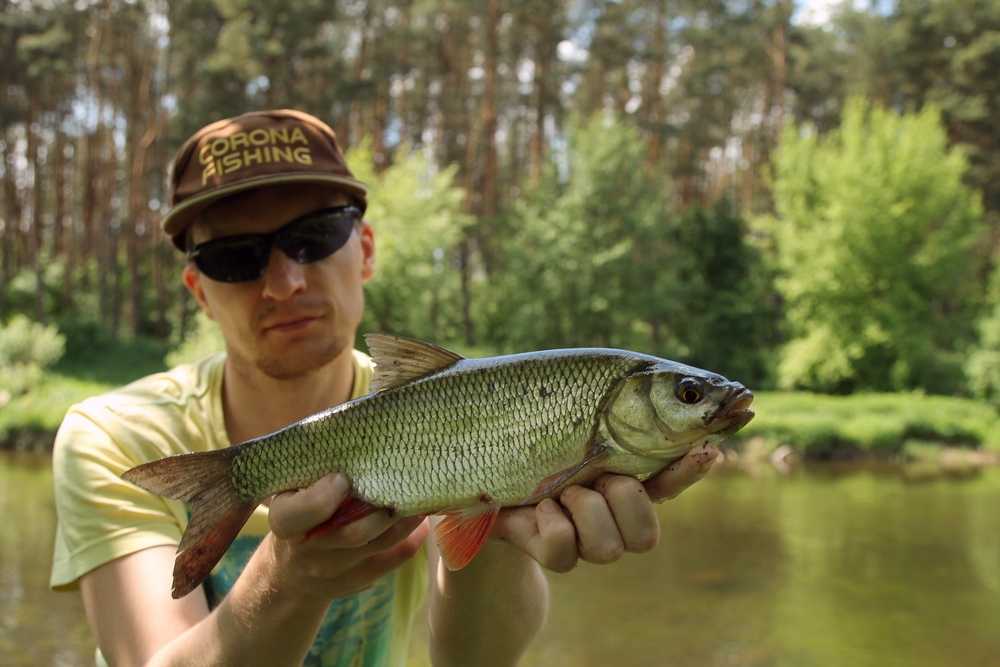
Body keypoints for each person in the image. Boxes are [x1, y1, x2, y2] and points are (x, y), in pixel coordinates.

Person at [50, 109, 721, 667]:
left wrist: (495, 524)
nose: (284, 282)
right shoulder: (114, 435)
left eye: (313, 237)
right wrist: (287, 583)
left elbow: (475, 660)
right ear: (199, 291)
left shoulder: (457, 403)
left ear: (364, 249)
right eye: (235, 257)